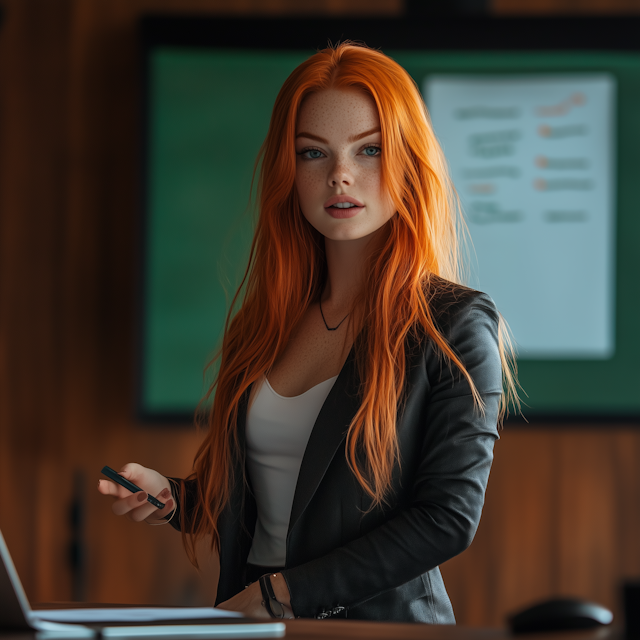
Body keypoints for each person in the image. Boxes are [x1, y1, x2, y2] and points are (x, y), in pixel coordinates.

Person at [98, 41, 518, 623]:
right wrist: (177, 500)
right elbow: (280, 499)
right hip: (256, 625)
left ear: (407, 162)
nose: (340, 175)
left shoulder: (453, 324)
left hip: (379, 632)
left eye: (369, 149)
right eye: (313, 154)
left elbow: (447, 518)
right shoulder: (269, 320)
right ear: (289, 172)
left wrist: (282, 594)